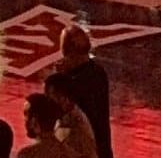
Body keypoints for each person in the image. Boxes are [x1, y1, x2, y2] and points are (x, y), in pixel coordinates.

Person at [46, 27, 112, 158]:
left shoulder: (72, 82)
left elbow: (54, 109)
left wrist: (59, 77)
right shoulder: (98, 72)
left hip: (81, 148)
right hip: (101, 145)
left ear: (69, 52)